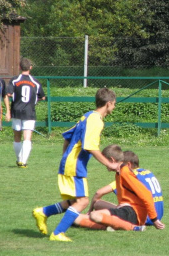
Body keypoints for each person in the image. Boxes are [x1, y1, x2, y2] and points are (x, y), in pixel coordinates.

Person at [31, 88, 121, 242]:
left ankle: (43, 212)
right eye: (114, 104)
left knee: (74, 202)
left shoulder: (87, 116)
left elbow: (67, 136)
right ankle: (58, 233)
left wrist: (66, 157)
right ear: (109, 103)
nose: (114, 107)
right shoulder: (96, 120)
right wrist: (110, 165)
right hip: (75, 165)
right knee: (83, 201)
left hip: (71, 163)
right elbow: (90, 147)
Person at [74, 146, 165, 231]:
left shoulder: (125, 172)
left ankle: (134, 228)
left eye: (104, 161)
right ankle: (111, 226)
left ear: (112, 160)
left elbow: (146, 194)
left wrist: (154, 219)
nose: (104, 164)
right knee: (75, 218)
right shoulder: (120, 172)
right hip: (126, 210)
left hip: (134, 213)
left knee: (95, 215)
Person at [7, 57, 45, 168]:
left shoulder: (14, 80)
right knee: (27, 138)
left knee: (17, 137)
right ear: (30, 68)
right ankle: (23, 161)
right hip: (29, 112)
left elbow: (9, 94)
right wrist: (35, 99)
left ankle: (19, 159)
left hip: (16, 111)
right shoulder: (35, 82)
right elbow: (42, 97)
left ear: (19, 67)